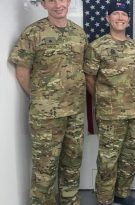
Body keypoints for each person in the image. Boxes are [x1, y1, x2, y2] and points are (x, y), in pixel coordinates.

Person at [8, 0, 87, 204]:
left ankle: (70, 199)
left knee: (72, 161)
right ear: (43, 4)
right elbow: (22, 71)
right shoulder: (33, 33)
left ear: (69, 1)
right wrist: (41, 98)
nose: (57, 5)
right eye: (50, 0)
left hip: (75, 111)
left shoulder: (79, 33)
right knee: (45, 166)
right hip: (46, 115)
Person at [83, 1, 135, 205]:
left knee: (129, 156)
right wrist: (105, 99)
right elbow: (89, 77)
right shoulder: (97, 46)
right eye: (115, 14)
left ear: (128, 19)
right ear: (107, 18)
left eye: (123, 14)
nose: (120, 17)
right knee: (108, 159)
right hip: (110, 114)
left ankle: (122, 193)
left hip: (133, 112)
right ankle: (104, 198)